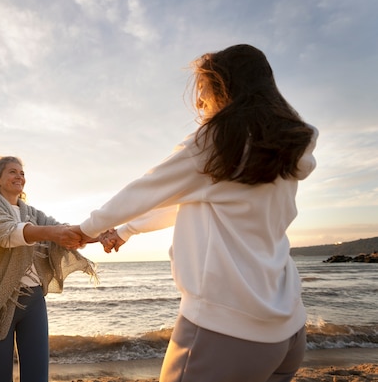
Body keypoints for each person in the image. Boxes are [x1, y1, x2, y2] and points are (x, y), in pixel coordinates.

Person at [72, 44, 318, 382]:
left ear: (223, 85)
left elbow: (148, 188)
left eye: (201, 88)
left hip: (226, 333)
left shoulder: (217, 140)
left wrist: (86, 229)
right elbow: (188, 200)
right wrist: (127, 230)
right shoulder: (281, 149)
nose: (198, 101)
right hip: (288, 331)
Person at [0, 156, 97, 382]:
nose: (19, 176)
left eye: (22, 173)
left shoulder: (32, 214)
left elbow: (63, 230)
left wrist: (102, 233)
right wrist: (51, 232)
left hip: (33, 299)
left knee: (37, 376)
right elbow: (9, 234)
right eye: (12, 172)